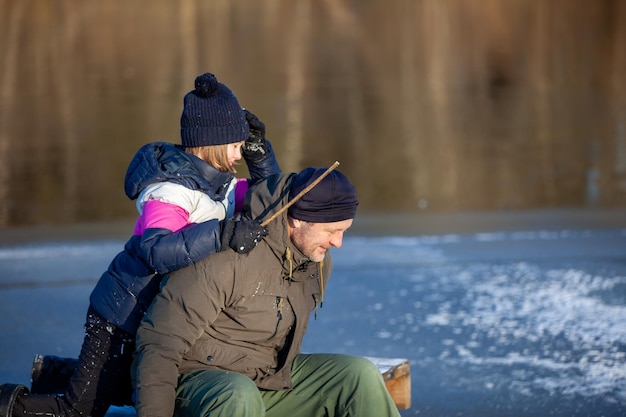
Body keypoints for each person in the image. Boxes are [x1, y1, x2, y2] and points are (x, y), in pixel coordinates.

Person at [0, 72, 280, 417]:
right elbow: (157, 248)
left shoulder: (222, 187)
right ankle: (9, 403)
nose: (239, 154)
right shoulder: (170, 191)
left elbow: (269, 203)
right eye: (237, 146)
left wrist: (261, 156)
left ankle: (53, 372)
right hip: (122, 314)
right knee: (80, 410)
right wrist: (222, 234)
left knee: (137, 383)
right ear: (214, 143)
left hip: (161, 312)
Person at [132, 166, 402, 417]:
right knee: (238, 394)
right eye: (331, 231)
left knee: (359, 375)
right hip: (201, 387)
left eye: (344, 231)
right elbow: (159, 344)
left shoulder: (315, 262)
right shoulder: (226, 257)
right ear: (297, 219)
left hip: (267, 378)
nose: (338, 242)